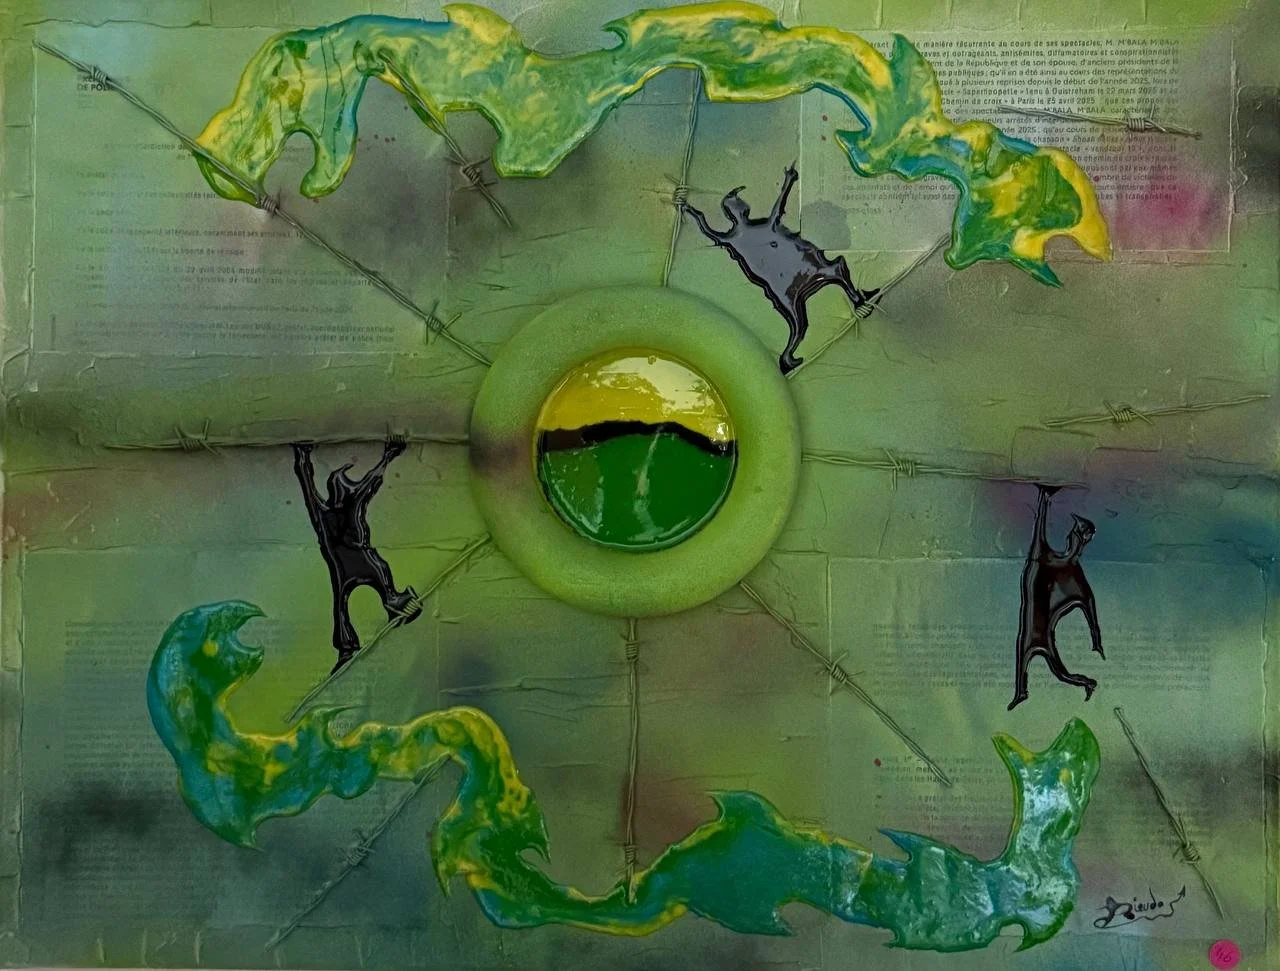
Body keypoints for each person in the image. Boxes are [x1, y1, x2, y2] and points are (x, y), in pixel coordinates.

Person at [681, 163, 879, 374]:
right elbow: (711, 228)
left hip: (791, 277)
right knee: (814, 299)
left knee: (824, 286)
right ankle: (788, 356)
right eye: (740, 204)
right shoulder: (739, 237)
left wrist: (690, 210)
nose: (744, 206)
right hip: (790, 279)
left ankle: (855, 300)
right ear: (737, 211)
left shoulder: (740, 236)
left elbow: (709, 228)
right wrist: (689, 209)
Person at [292, 437, 422, 672]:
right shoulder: (352, 503)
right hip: (365, 563)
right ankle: (391, 602)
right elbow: (371, 482)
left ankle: (347, 646)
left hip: (342, 571)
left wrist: (303, 456)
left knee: (340, 605)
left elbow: (306, 484)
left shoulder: (321, 515)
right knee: (376, 577)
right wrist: (388, 455)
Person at [1008, 485, 1104, 710]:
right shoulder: (1045, 559)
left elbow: (1090, 606)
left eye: (1075, 534)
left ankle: (1087, 683)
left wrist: (1096, 640)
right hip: (1032, 630)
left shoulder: (1066, 571)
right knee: (1052, 670)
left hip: (1039, 632)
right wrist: (1096, 640)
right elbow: (1039, 529)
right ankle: (1022, 692)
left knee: (1059, 673)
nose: (1069, 536)